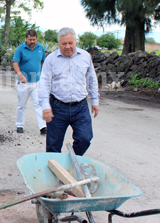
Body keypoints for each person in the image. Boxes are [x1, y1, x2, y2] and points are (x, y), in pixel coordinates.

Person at [38, 27, 99, 156]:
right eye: (63, 43)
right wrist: (45, 106)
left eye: (70, 43)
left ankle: (73, 161)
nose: (67, 46)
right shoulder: (51, 59)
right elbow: (43, 83)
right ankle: (54, 172)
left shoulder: (85, 57)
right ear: (59, 43)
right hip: (57, 107)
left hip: (80, 107)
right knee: (53, 146)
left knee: (85, 138)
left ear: (75, 41)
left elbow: (91, 79)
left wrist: (95, 100)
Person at [12, 29, 47, 135]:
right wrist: (20, 75)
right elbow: (15, 63)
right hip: (23, 83)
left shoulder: (40, 48)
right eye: (30, 39)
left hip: (36, 82)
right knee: (22, 105)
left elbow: (43, 62)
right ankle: (19, 125)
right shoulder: (20, 49)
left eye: (34, 39)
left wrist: (44, 76)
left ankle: (43, 127)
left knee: (38, 104)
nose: (32, 41)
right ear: (26, 38)